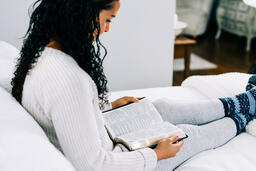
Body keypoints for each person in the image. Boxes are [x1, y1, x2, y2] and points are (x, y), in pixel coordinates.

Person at [11, 0, 255, 171]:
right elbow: (94, 166)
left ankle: (244, 102)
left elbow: (64, 112)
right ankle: (245, 115)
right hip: (120, 160)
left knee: (160, 108)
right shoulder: (68, 79)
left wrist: (106, 106)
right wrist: (157, 154)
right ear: (81, 13)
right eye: (107, 19)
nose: (106, 29)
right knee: (187, 135)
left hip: (107, 136)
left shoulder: (40, 55)